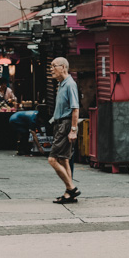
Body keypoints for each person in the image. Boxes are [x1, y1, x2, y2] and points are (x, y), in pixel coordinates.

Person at [48, 57, 80, 204]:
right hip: (59, 123)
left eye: (54, 66)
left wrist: (73, 130)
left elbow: (75, 109)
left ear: (63, 67)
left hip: (65, 125)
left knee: (52, 159)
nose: (51, 69)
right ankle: (69, 193)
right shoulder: (61, 84)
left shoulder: (70, 85)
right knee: (63, 159)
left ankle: (71, 188)